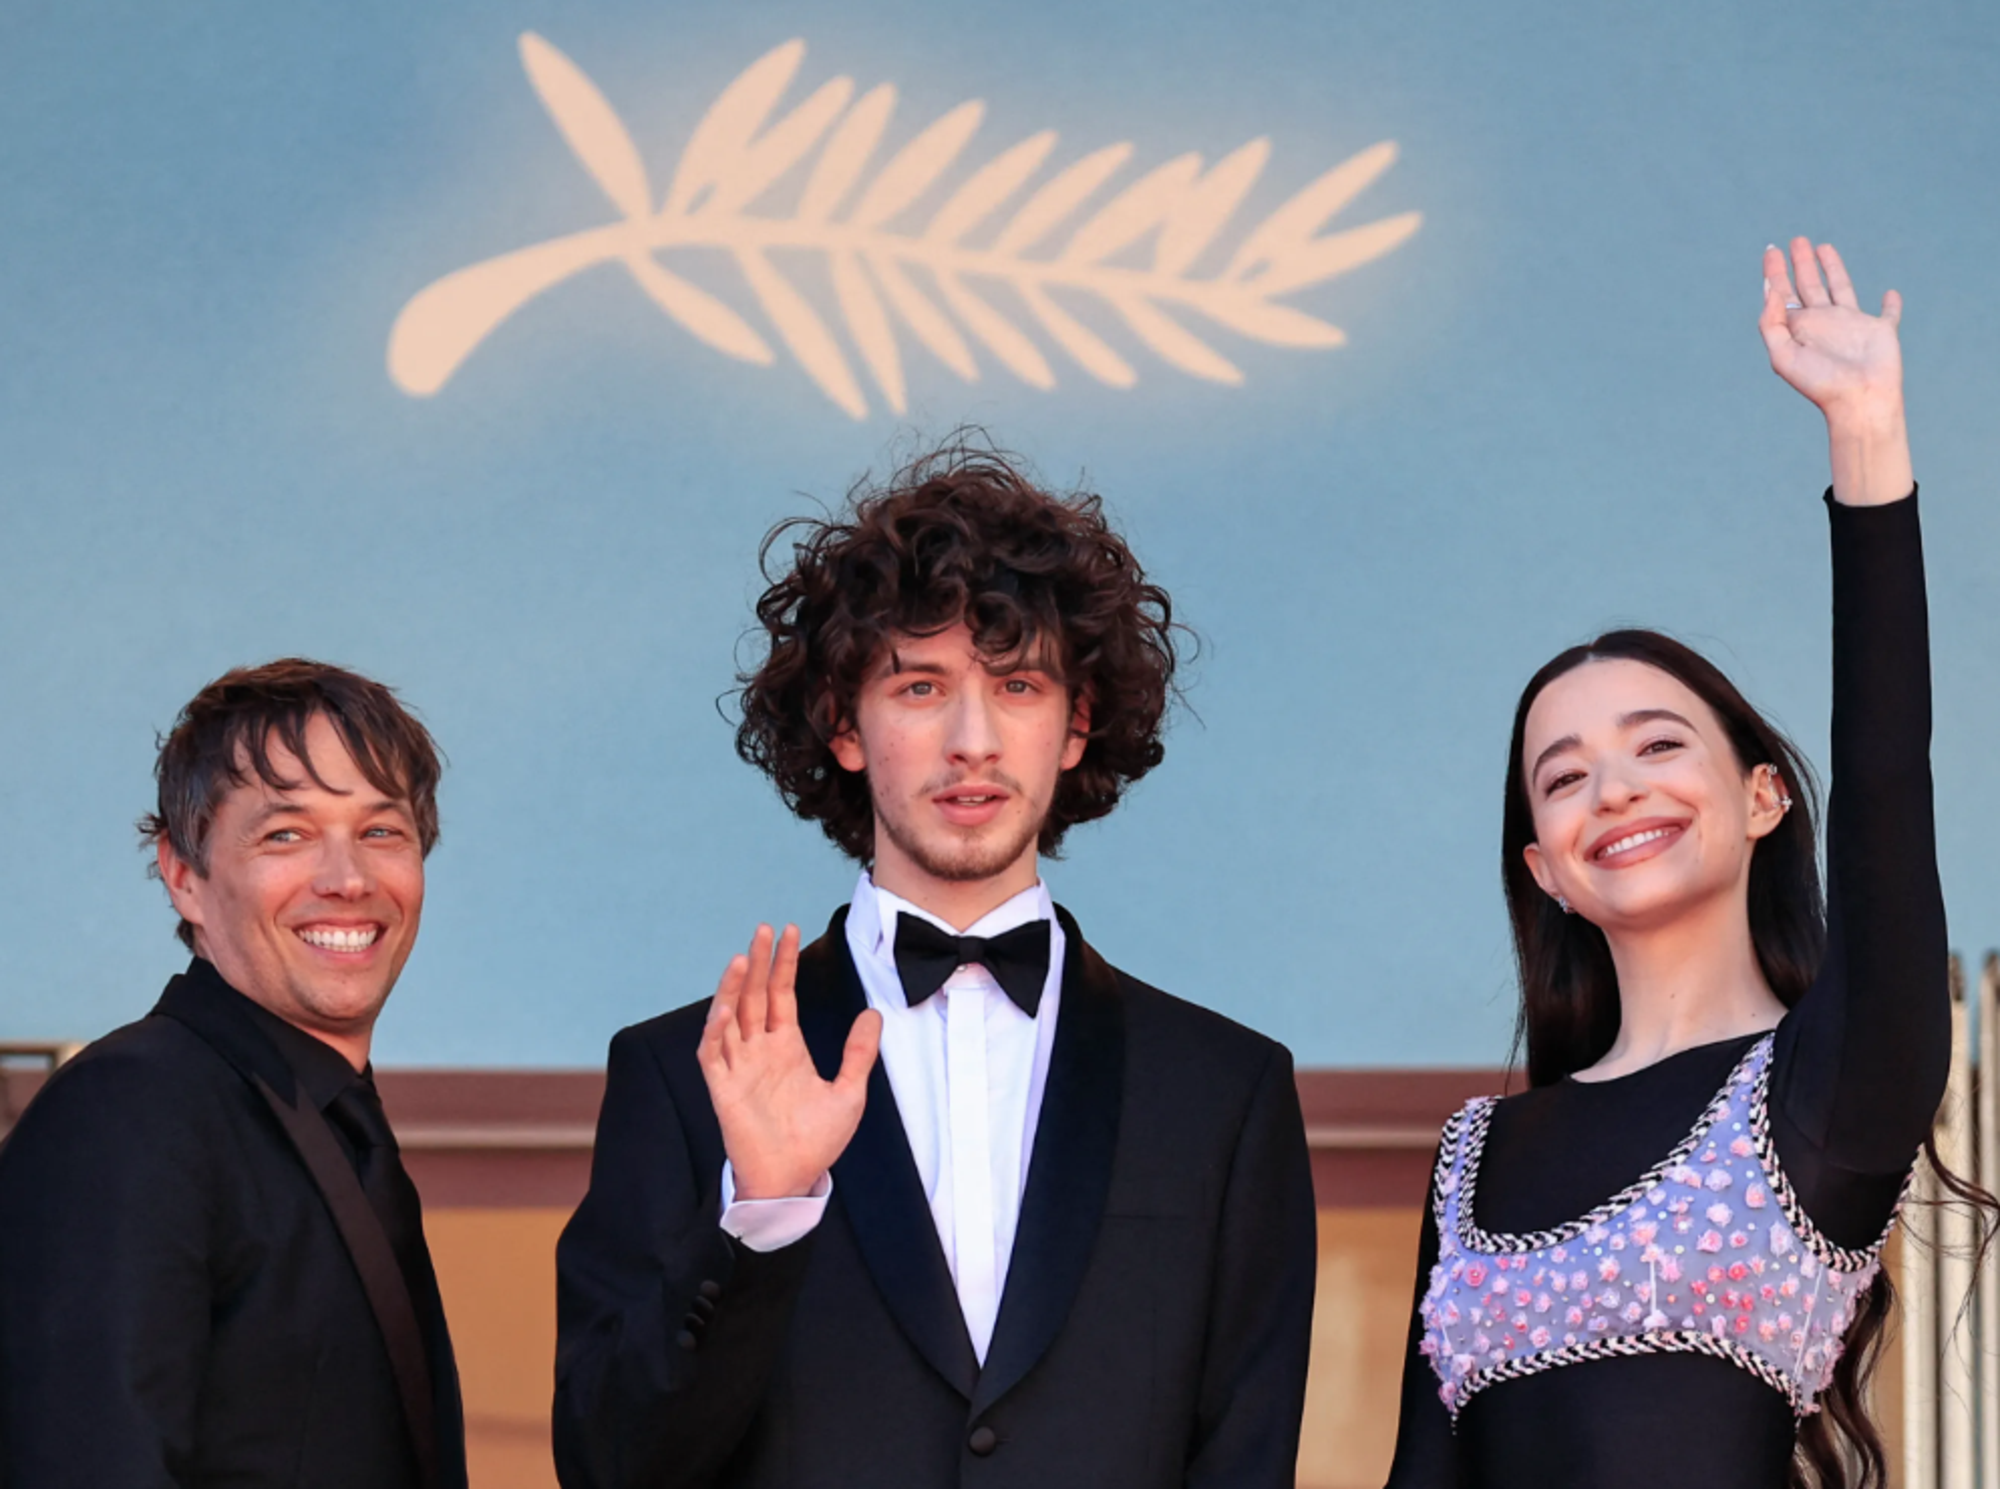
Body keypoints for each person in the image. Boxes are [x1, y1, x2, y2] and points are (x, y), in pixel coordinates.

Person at [553, 448, 1318, 1488]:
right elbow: (609, 1463)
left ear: (1074, 723)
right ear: (842, 722)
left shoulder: (1224, 1091)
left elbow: (1244, 1458)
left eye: (1016, 685)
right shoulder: (679, 1077)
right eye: (920, 686)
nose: (972, 739)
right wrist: (761, 1213)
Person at [1383, 239, 1957, 1489]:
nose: (1615, 789)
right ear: (1546, 868)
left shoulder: (1828, 1085)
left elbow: (1880, 781)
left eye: (1654, 744)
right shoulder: (1477, 1152)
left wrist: (1865, 437)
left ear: (1758, 796)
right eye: (1564, 773)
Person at [0, 660, 466, 1489]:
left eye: (380, 830)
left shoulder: (331, 1118)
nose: (347, 878)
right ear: (184, 873)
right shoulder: (130, 1111)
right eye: (285, 833)